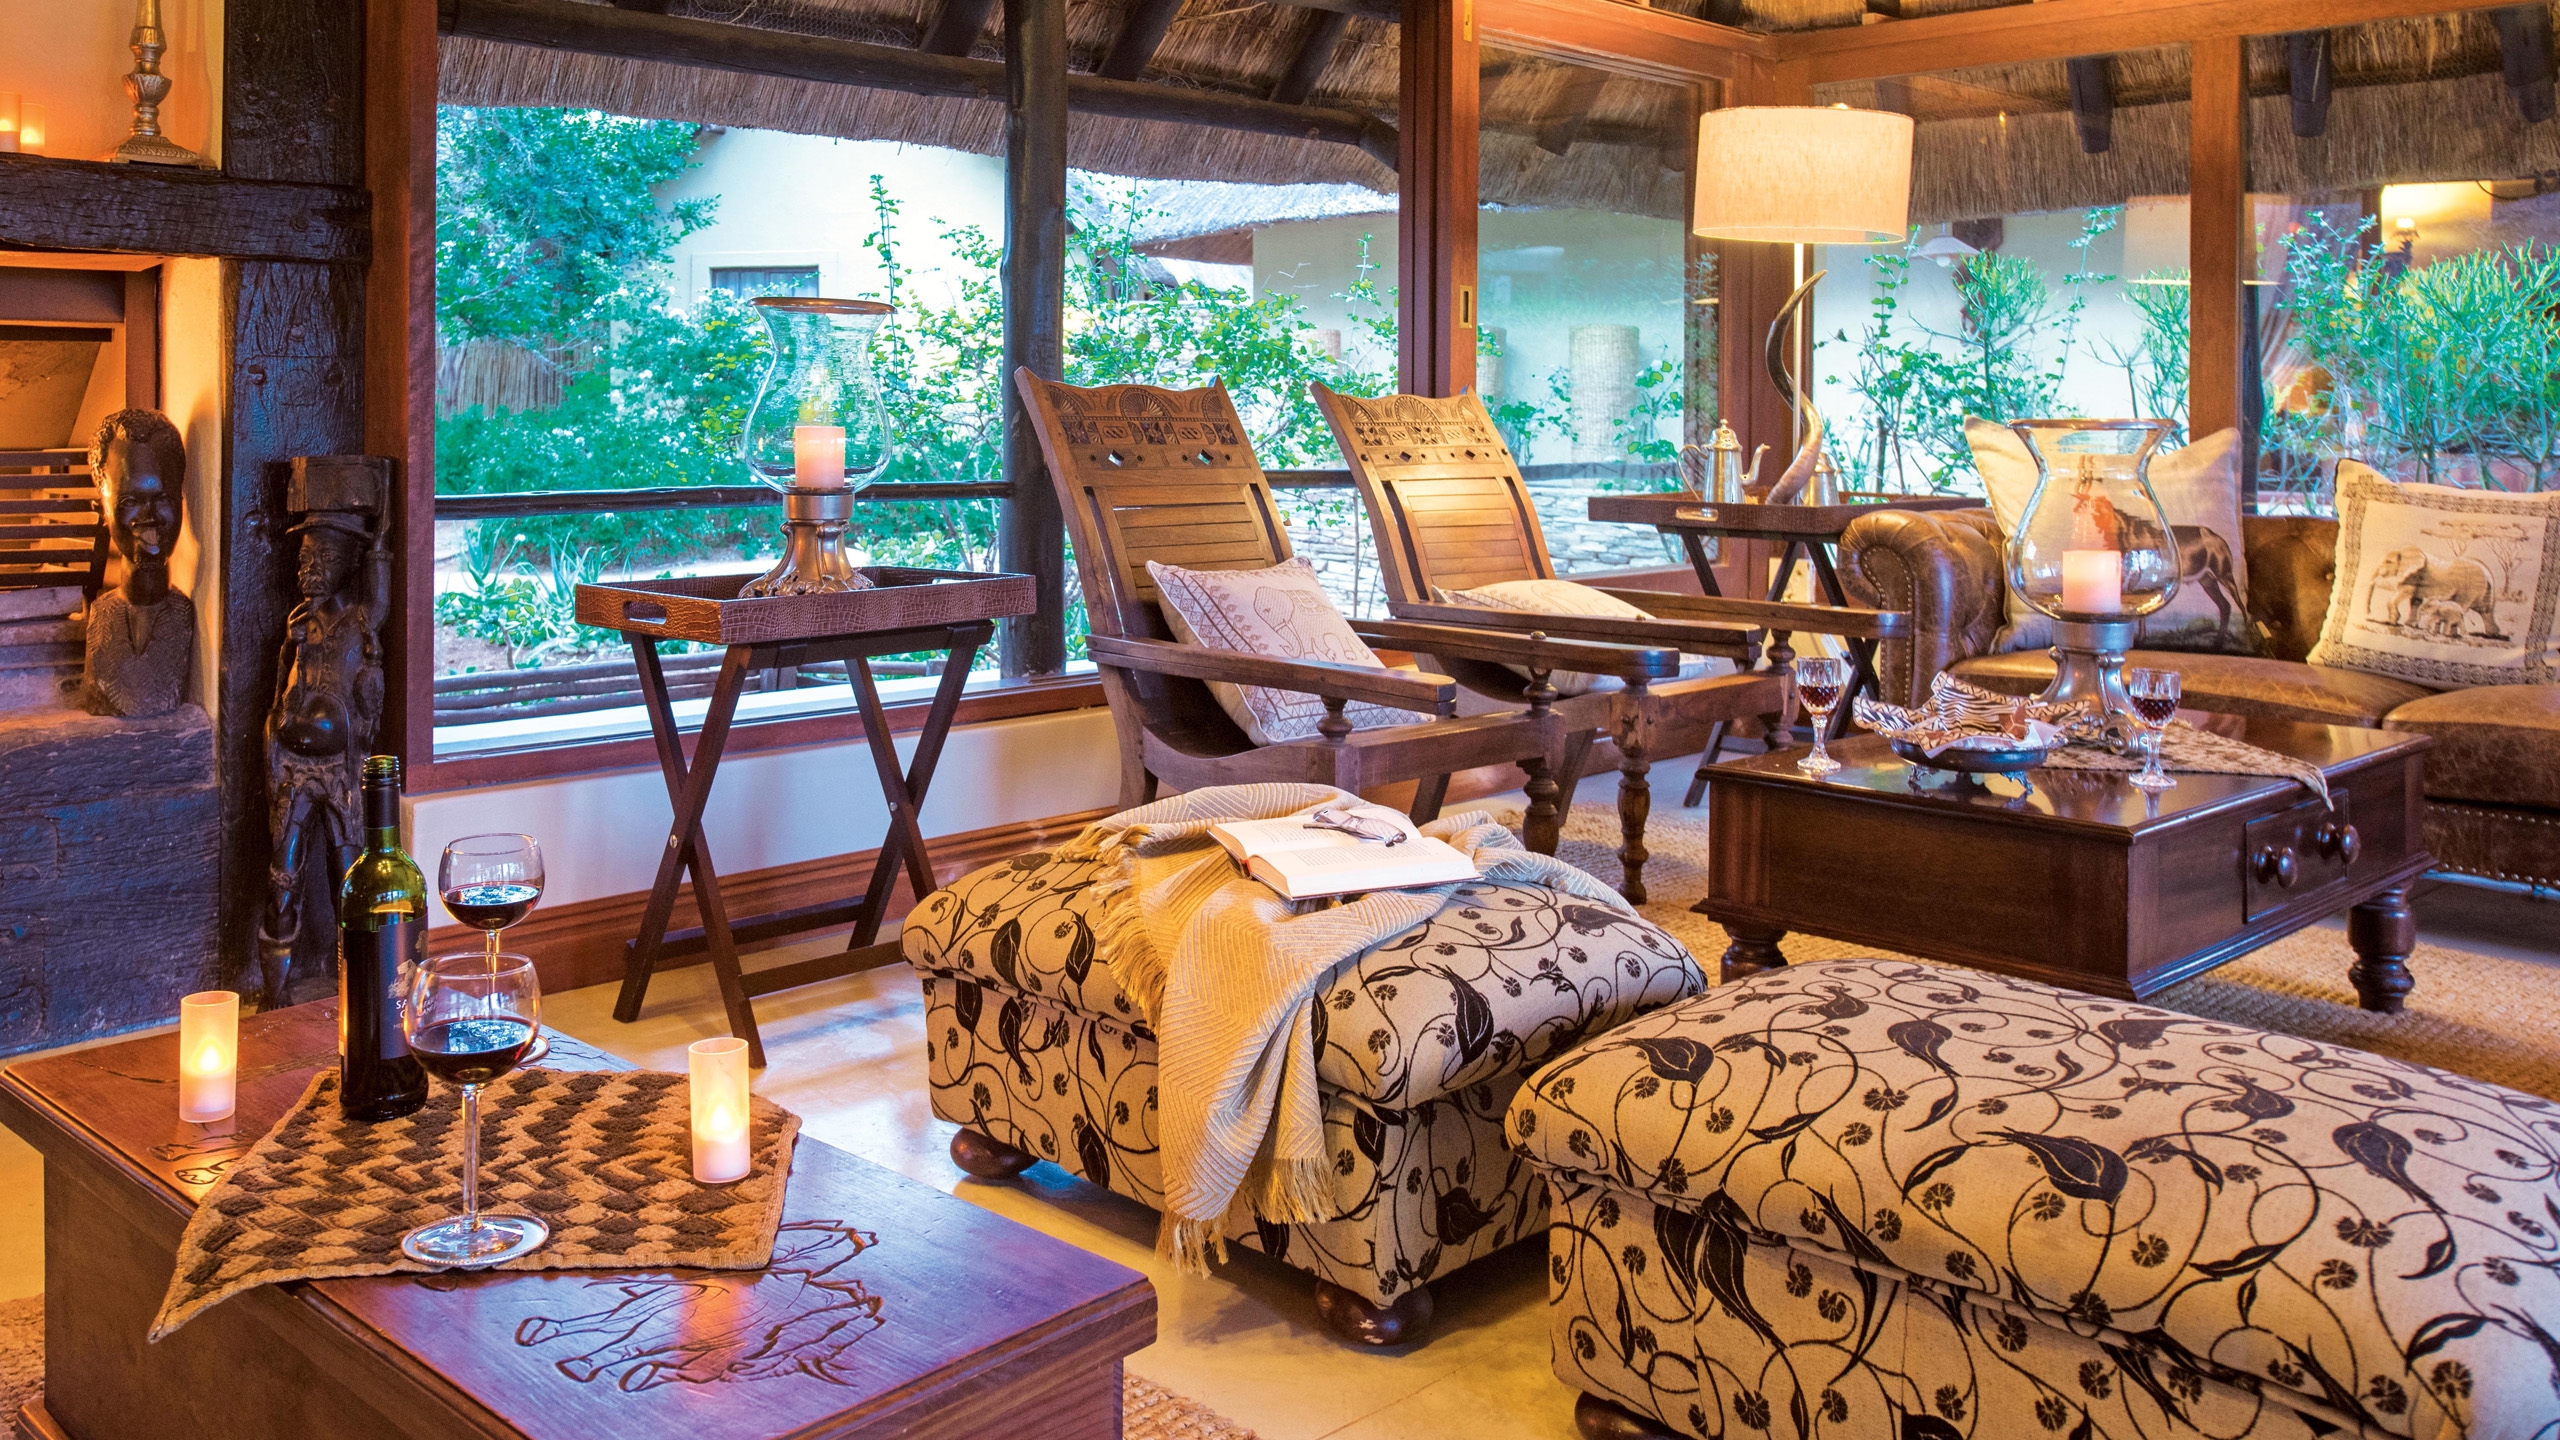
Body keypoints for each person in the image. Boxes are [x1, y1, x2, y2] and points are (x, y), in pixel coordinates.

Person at [256, 502, 389, 1008]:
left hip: (339, 775)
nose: (308, 569)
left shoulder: (360, 621)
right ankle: (275, 994)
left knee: (347, 880)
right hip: (295, 772)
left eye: (323, 558)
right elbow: (282, 696)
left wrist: (381, 522)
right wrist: (291, 649)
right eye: (303, 559)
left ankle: (355, 988)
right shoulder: (299, 626)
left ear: (348, 564)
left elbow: (380, 582)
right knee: (282, 880)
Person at [78, 410, 195, 718]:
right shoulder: (101, 615)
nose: (149, 517)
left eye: (163, 498)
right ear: (102, 510)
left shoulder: (185, 615)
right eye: (129, 502)